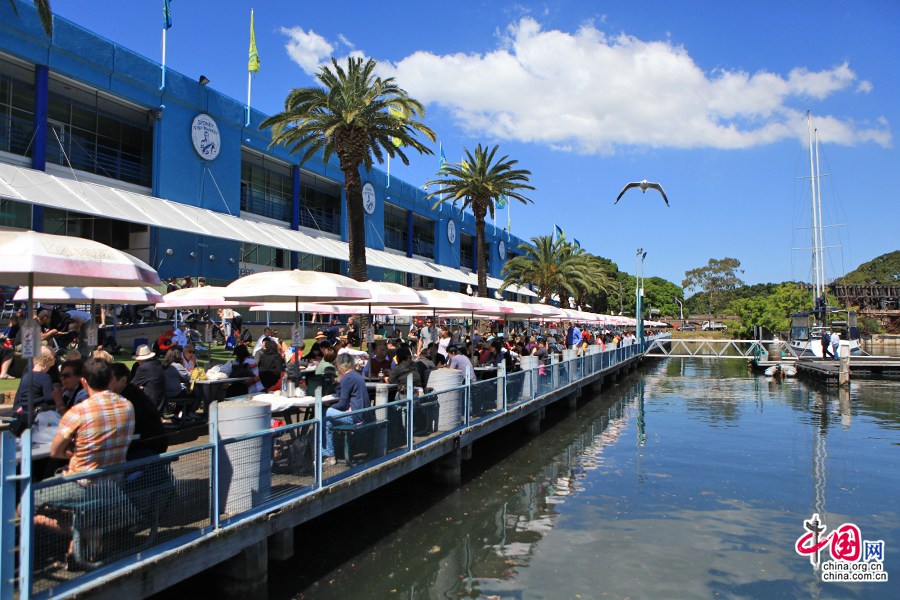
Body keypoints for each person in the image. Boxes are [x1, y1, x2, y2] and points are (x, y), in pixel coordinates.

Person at [36, 359, 134, 541]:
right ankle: (83, 547)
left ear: (83, 381)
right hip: (113, 481)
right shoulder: (127, 405)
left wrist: (78, 452)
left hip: (83, 484)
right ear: (111, 377)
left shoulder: (78, 411)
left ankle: (80, 532)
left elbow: (55, 452)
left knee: (24, 502)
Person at [109, 362, 168, 460]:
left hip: (148, 447)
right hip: (146, 443)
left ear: (123, 380)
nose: (106, 382)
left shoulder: (129, 396)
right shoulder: (130, 392)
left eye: (110, 379)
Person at [323, 353, 370, 465]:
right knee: (328, 422)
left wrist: (331, 407)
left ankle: (328, 455)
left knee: (325, 412)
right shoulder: (356, 375)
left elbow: (342, 404)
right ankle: (330, 455)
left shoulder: (347, 378)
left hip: (355, 416)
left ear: (340, 365)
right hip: (362, 414)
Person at [12, 345, 56, 414]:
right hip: (39, 412)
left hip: (25, 411)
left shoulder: (26, 376)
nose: (48, 369)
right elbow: (49, 398)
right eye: (49, 366)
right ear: (45, 364)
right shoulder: (45, 377)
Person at [131, 344, 168, 414]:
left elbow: (132, 385)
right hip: (161, 401)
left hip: (150, 401)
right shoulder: (157, 363)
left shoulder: (143, 368)